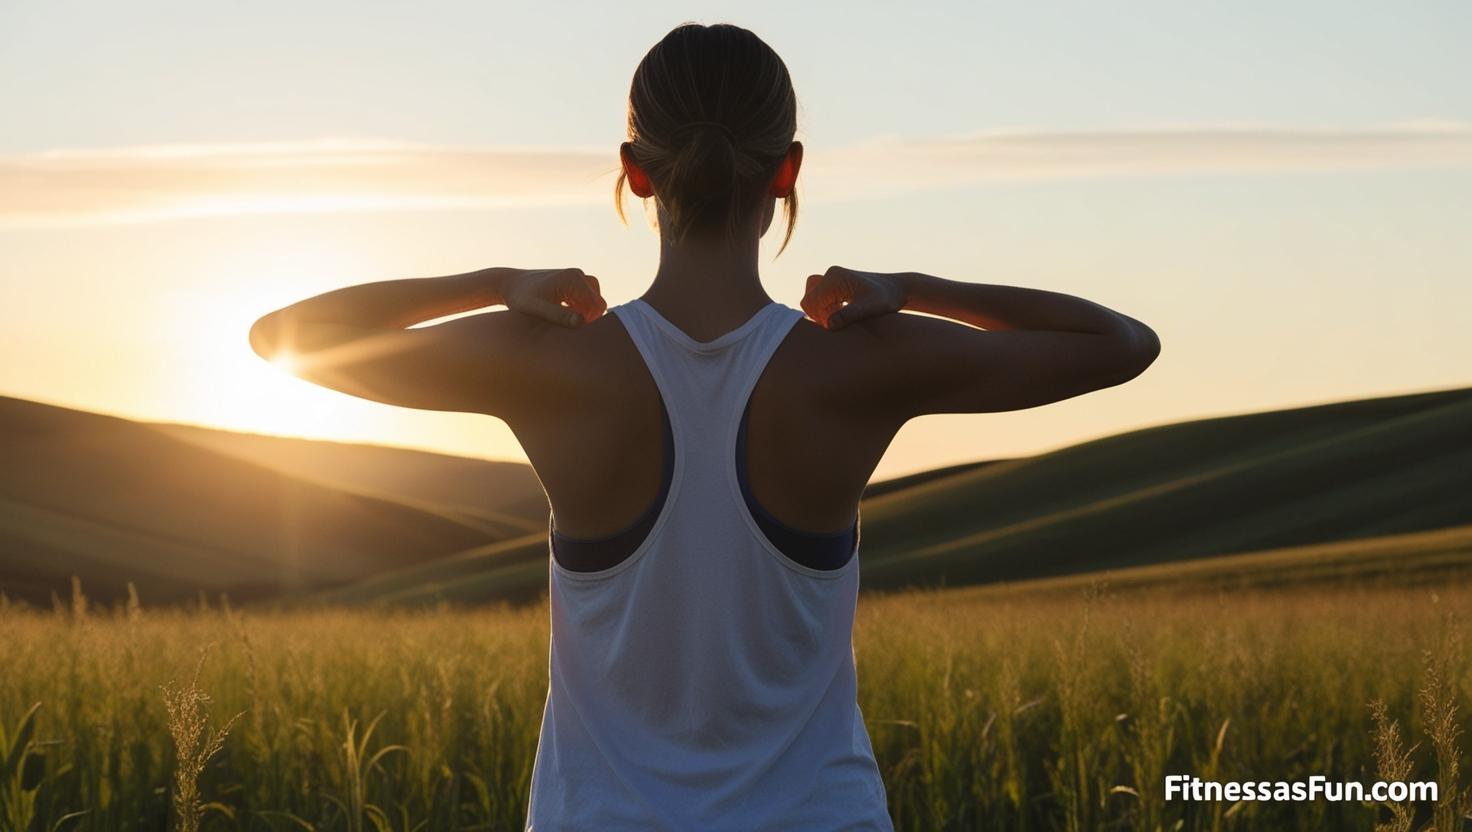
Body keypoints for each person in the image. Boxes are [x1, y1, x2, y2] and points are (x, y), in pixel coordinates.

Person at [249, 21, 1159, 832]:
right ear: (788, 170)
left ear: (635, 171)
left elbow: (285, 337)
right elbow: (1120, 344)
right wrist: (914, 291)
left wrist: (494, 284)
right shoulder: (859, 361)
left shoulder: (548, 360)